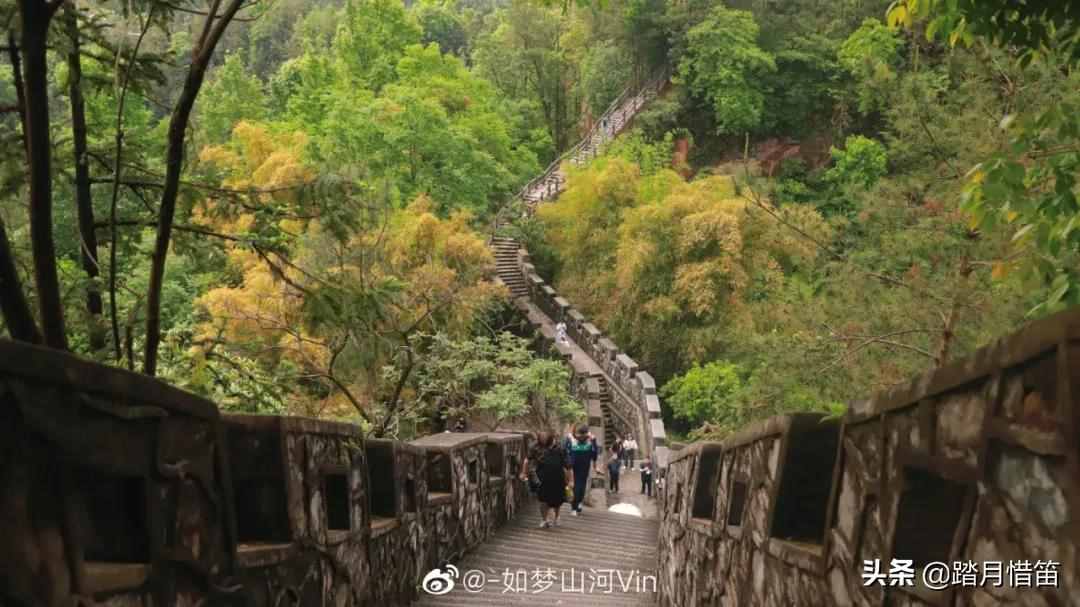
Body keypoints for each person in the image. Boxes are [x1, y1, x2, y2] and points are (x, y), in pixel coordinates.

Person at [520, 431, 571, 528]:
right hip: (541, 476)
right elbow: (527, 460)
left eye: (546, 440)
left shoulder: (559, 447)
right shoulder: (534, 446)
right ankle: (544, 519)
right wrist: (524, 472)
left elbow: (568, 465)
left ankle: (556, 517)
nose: (544, 443)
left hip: (557, 477)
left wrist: (570, 480)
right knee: (543, 499)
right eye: (542, 440)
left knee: (557, 499)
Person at [565, 424, 599, 515]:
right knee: (575, 486)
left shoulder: (590, 439)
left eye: (582, 435)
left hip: (584, 466)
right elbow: (564, 451)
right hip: (572, 467)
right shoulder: (570, 439)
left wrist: (595, 463)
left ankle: (579, 502)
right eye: (579, 434)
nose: (580, 437)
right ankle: (574, 507)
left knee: (582, 485)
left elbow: (595, 452)